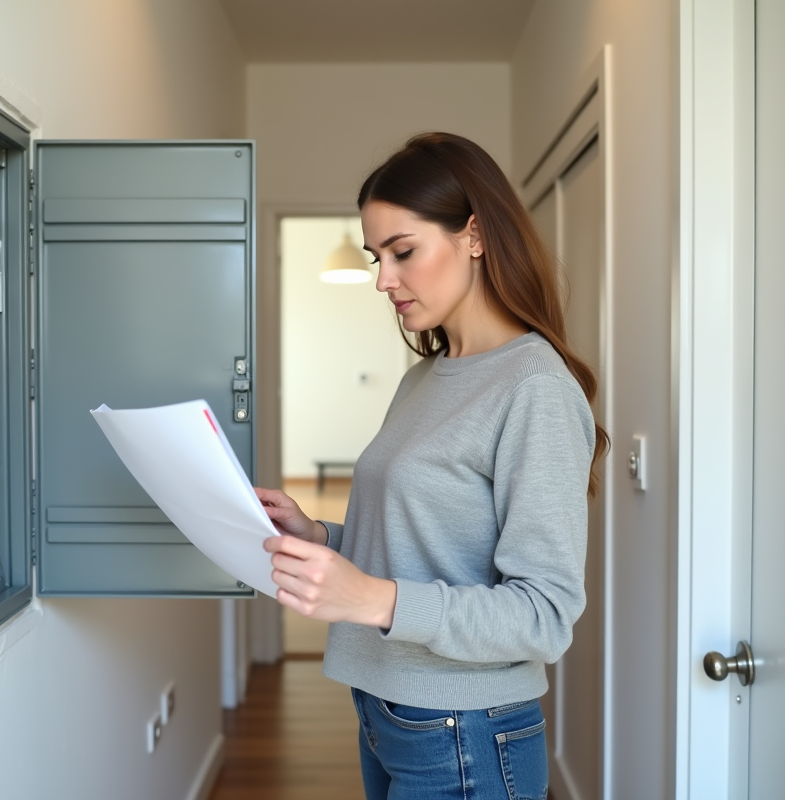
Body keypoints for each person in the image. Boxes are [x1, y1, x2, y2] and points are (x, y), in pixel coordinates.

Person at [255, 132, 608, 800]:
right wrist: (321, 537)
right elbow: (428, 538)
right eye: (376, 257)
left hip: (464, 727)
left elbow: (544, 614)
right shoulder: (425, 377)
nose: (385, 279)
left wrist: (371, 598)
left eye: (404, 252)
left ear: (474, 234)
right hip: (387, 708)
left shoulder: (534, 385)